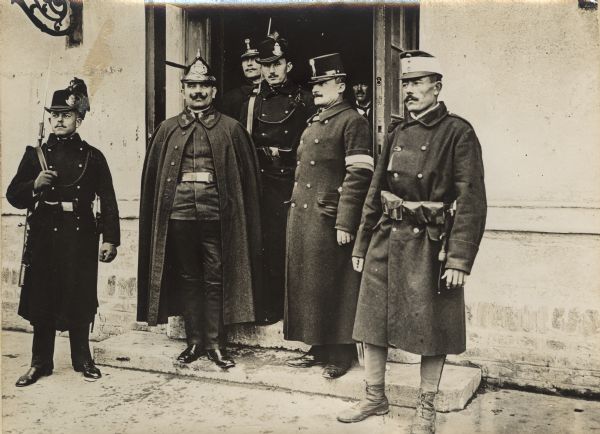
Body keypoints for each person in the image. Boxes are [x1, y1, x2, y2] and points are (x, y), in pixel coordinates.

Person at [337, 51, 487, 434]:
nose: (409, 91)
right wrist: (361, 244)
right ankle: (374, 396)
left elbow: (471, 200)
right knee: (372, 320)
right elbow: (375, 191)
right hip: (387, 237)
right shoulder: (398, 131)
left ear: (437, 87)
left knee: (431, 325)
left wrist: (458, 259)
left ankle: (426, 407)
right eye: (405, 84)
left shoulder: (458, 132)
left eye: (417, 83)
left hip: (430, 244)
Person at [137, 53, 262, 369]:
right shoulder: (167, 131)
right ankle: (194, 343)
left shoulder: (231, 129)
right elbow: (154, 180)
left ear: (214, 91)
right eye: (191, 85)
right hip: (179, 215)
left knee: (215, 276)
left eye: (204, 86)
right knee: (189, 276)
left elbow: (245, 182)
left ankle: (215, 343)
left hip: (215, 215)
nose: (197, 91)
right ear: (183, 90)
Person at [7, 78, 120, 387]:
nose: (58, 120)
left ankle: (83, 359)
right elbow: (12, 195)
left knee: (80, 296)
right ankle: (40, 363)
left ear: (79, 119)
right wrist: (34, 185)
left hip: (80, 234)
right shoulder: (35, 155)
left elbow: (108, 199)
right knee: (42, 297)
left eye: (66, 115)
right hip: (44, 235)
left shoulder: (92, 156)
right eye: (54, 115)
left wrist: (110, 238)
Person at [284, 53, 373, 379]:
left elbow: (359, 175)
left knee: (338, 286)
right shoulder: (317, 120)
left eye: (323, 83)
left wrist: (346, 221)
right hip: (307, 217)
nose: (317, 89)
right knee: (313, 284)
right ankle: (319, 346)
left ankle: (341, 352)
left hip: (329, 217)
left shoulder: (353, 121)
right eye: (315, 84)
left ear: (341, 84)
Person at [240, 32, 315, 325]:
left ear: (289, 65)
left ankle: (295, 311)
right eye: (266, 64)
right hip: (263, 181)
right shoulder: (253, 102)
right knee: (267, 244)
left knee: (295, 247)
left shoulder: (306, 100)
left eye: (277, 63)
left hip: (293, 180)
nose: (271, 70)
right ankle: (270, 307)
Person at [220, 37, 262, 120]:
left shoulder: (272, 94)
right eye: (245, 60)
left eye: (254, 59)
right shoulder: (230, 98)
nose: (249, 64)